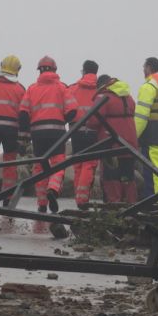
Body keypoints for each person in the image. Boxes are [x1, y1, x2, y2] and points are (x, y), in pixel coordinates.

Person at [19, 56, 78, 213]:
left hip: (37, 133)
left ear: (40, 71)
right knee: (58, 163)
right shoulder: (62, 87)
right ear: (54, 70)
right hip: (57, 132)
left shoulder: (31, 89)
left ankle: (42, 203)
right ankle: (52, 189)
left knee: (39, 166)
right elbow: (73, 110)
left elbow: (23, 113)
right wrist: (62, 120)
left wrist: (26, 133)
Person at [89, 75, 138, 203]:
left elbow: (92, 120)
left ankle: (114, 207)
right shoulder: (128, 96)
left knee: (111, 176)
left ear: (100, 85)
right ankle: (131, 205)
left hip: (111, 142)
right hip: (129, 142)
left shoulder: (103, 97)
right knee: (128, 176)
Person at [0, 55, 26, 206]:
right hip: (12, 130)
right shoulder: (20, 89)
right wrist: (23, 138)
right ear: (17, 70)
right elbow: (24, 114)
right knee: (10, 163)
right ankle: (7, 196)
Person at [134, 57, 158, 200]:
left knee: (151, 170)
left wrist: (134, 135)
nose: (143, 70)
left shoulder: (148, 87)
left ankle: (156, 202)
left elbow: (141, 115)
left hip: (150, 133)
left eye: (144, 67)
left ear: (149, 68)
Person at [67, 60, 99, 210]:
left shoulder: (73, 88)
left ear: (84, 71)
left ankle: (78, 198)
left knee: (78, 164)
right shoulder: (101, 89)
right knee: (90, 164)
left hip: (76, 131)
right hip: (94, 132)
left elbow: (66, 108)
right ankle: (83, 199)